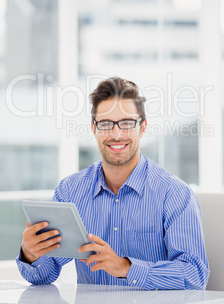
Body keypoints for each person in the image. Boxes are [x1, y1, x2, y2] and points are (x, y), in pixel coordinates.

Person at [16, 77, 210, 290]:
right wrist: (31, 254)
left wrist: (126, 268)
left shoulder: (175, 194)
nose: (116, 135)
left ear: (142, 127)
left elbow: (194, 275)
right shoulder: (70, 191)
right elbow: (45, 273)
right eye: (106, 124)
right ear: (94, 128)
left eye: (127, 123)